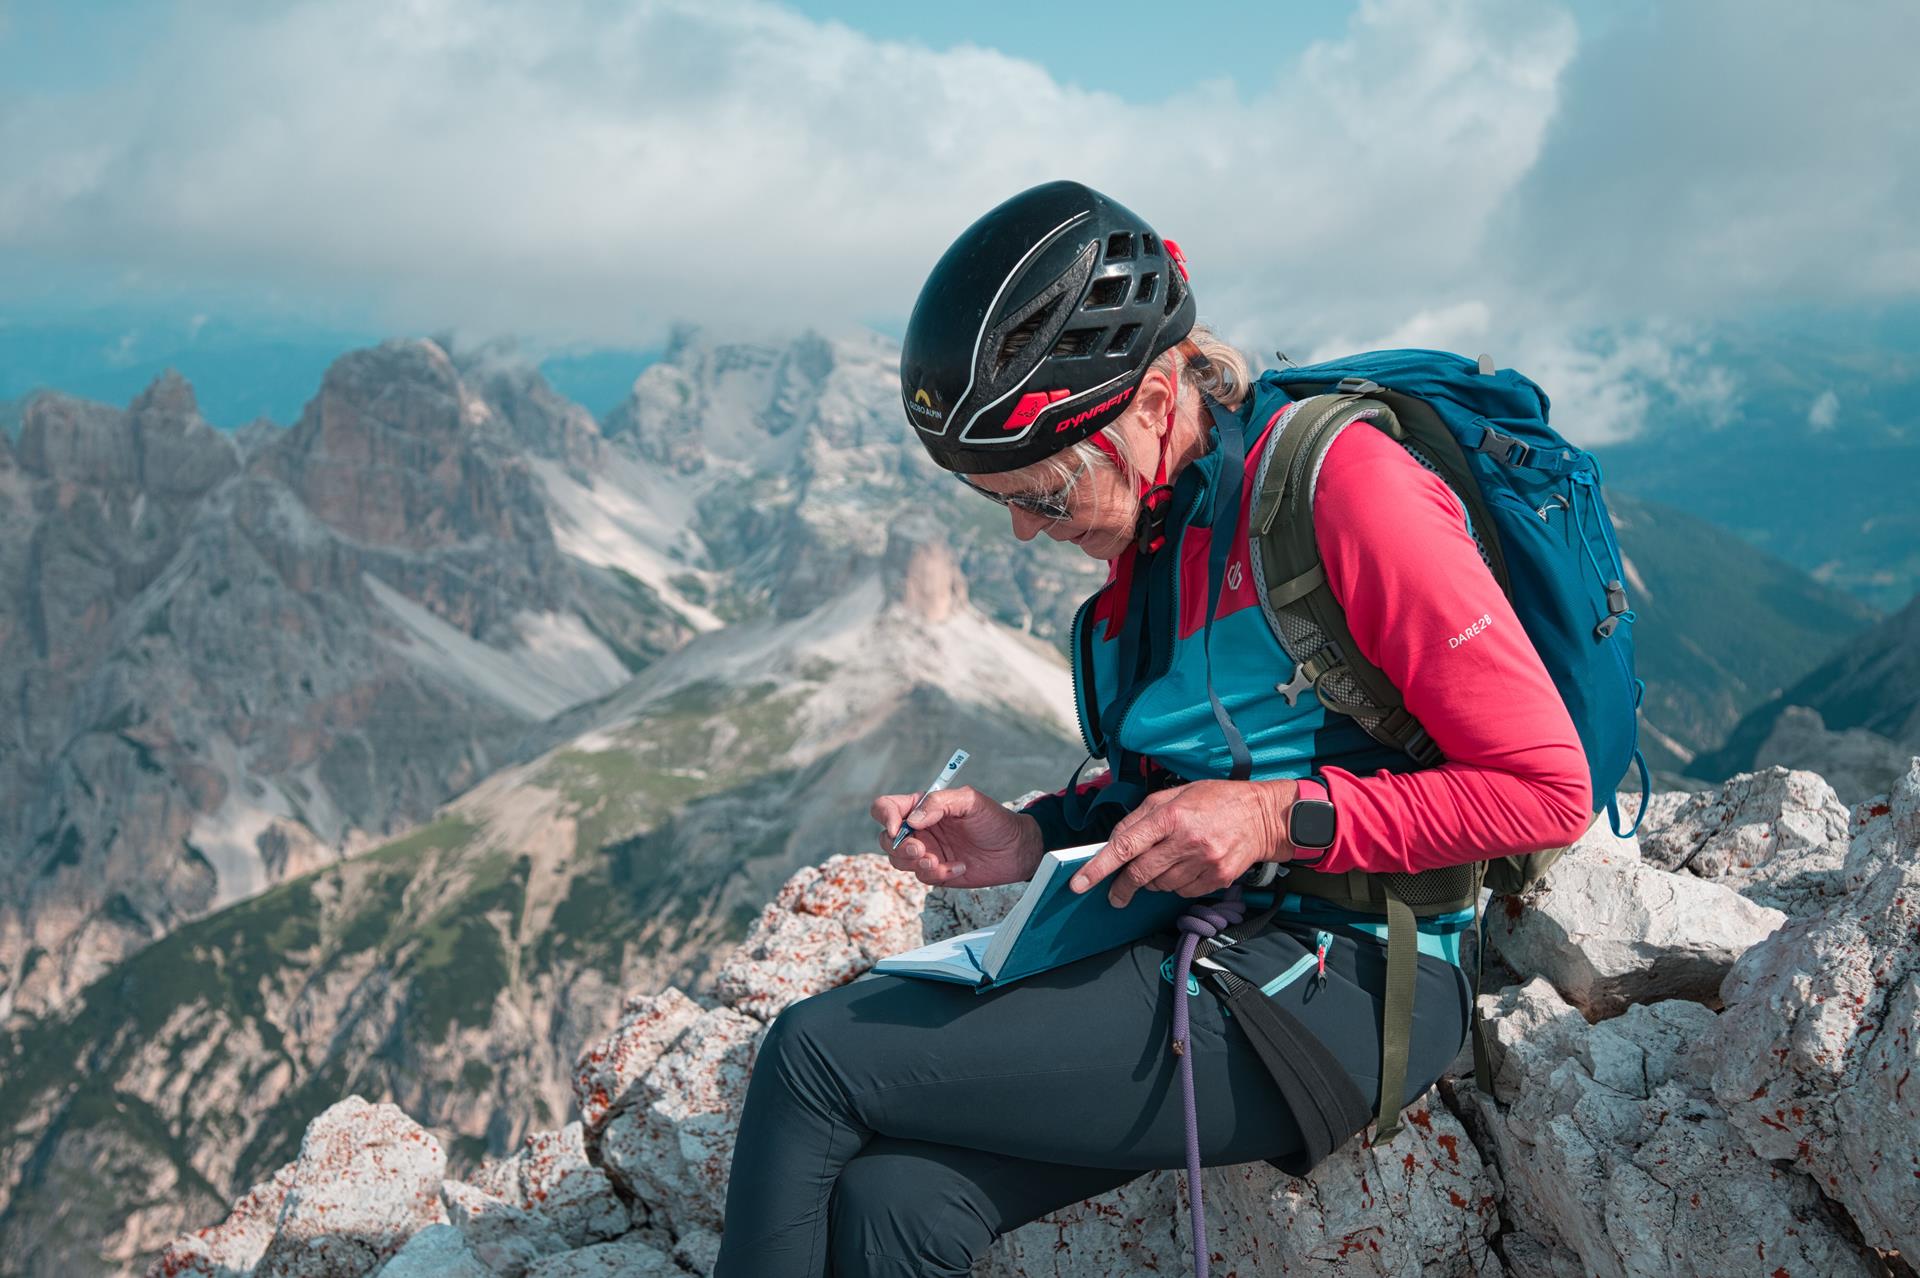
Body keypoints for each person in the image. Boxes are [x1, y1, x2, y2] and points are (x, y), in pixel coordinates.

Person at [712, 180, 1592, 1278]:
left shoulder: (1348, 493)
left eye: (1045, 491)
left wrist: (1274, 818)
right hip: (1219, 941)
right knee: (897, 1205)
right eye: (1002, 500)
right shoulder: (1162, 531)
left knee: (812, 1058)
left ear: (1157, 398)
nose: (1026, 529)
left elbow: (1546, 790)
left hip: (1358, 981)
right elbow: (1188, 778)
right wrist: (1033, 834)